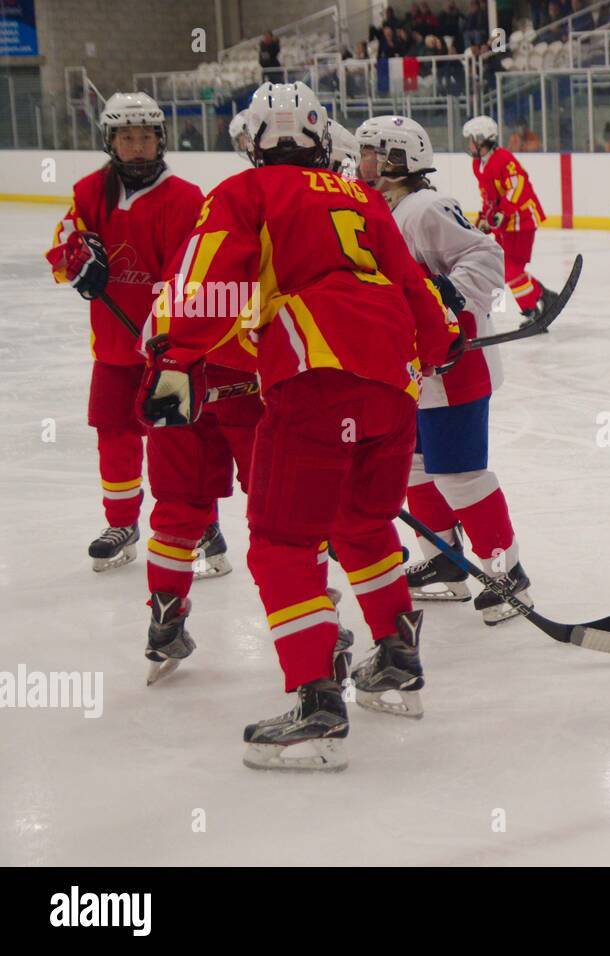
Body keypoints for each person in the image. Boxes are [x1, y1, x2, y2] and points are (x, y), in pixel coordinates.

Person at [138, 82, 459, 771]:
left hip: (316, 377)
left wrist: (172, 354)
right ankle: (398, 663)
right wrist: (437, 340)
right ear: (321, 138)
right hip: (395, 385)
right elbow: (413, 288)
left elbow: (204, 280)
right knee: (361, 525)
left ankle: (317, 710)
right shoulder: (362, 198)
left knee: (282, 542)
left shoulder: (245, 193)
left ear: (252, 140)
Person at [357, 116, 532, 625]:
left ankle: (508, 570)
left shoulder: (426, 207)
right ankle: (442, 561)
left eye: (370, 153)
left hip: (455, 367)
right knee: (412, 465)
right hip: (411, 370)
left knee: (459, 474)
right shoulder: (377, 208)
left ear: (396, 160)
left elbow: (484, 253)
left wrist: (449, 298)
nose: (360, 162)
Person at [45, 92, 207, 574]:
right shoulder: (89, 191)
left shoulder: (186, 198)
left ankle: (197, 524)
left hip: (168, 350)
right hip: (113, 348)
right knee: (114, 435)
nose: (137, 146)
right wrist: (74, 263)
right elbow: (61, 245)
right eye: (125, 137)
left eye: (145, 136)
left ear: (161, 140)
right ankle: (122, 523)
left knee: (175, 443)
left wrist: (176, 331)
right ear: (110, 141)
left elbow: (191, 273)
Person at [462, 115, 557, 323]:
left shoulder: (504, 159)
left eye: (471, 139)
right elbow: (488, 196)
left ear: (482, 139)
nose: (469, 144)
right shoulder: (478, 164)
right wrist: (483, 220)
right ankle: (543, 297)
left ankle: (533, 310)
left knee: (511, 270)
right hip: (505, 225)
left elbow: (517, 186)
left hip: (522, 220)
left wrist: (501, 212)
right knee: (509, 270)